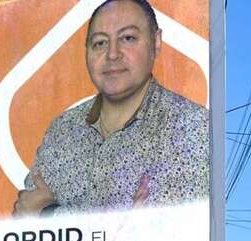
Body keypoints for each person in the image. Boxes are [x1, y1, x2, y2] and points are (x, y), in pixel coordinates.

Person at [13, 0, 209, 216]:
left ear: (156, 42)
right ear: (86, 52)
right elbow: (25, 218)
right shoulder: (62, 130)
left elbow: (165, 233)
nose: (113, 54)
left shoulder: (193, 127)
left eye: (128, 38)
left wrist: (49, 215)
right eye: (100, 43)